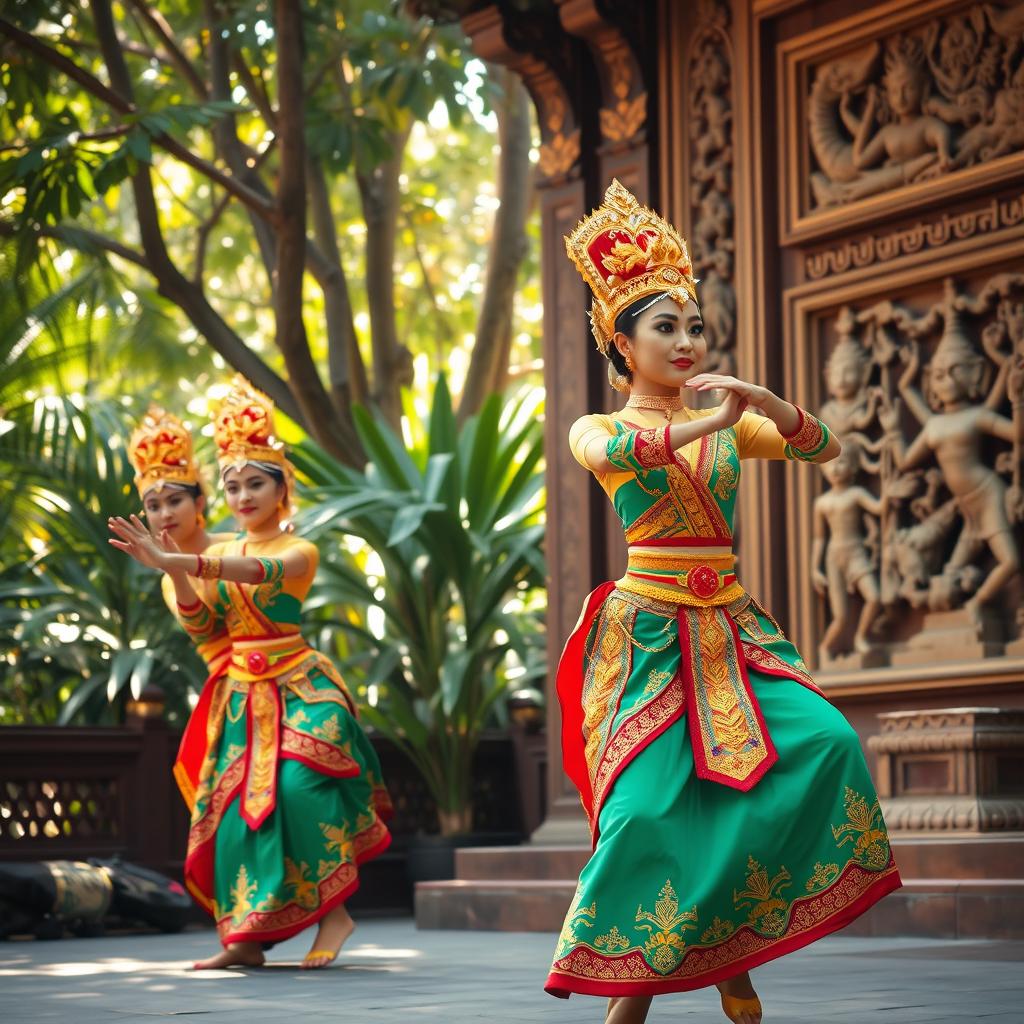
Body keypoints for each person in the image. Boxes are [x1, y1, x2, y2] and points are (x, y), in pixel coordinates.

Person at [546, 181, 900, 1024]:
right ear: (619, 342)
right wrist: (715, 421)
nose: (686, 340)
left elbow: (823, 447)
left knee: (826, 742)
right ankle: (627, 995)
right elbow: (633, 446)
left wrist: (761, 401)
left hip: (734, 629)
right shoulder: (593, 426)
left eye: (693, 325)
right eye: (665, 326)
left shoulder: (731, 419)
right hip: (647, 638)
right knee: (640, 815)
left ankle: (730, 955)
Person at [110, 376, 392, 970]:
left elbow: (260, 571)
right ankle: (244, 939)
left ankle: (335, 913)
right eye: (233, 485)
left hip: (302, 687)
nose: (243, 496)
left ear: (281, 488)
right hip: (241, 698)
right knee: (232, 813)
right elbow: (204, 631)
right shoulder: (207, 558)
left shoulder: (297, 550)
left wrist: (179, 559)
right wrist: (177, 570)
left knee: (299, 790)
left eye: (255, 484)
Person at [127, 406, 236, 807]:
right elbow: (205, 631)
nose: (165, 514)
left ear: (200, 501)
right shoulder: (167, 580)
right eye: (154, 507)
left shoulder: (237, 547)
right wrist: (175, 571)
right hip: (231, 689)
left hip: (280, 670)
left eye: (175, 501)